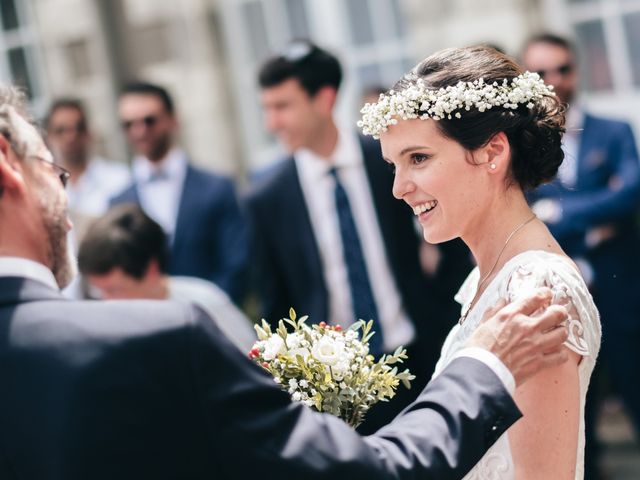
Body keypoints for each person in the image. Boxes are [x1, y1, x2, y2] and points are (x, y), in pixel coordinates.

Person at [0, 81, 571, 479]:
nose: (67, 194)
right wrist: (485, 366)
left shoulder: (534, 283)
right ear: (9, 169)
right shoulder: (165, 334)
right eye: (54, 170)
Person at [361, 45, 601, 478]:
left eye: (418, 158)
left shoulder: (536, 291)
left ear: (492, 152)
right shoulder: (484, 277)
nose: (399, 188)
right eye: (393, 165)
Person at [247, 42, 473, 432]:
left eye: (282, 107)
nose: (272, 123)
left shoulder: (388, 161)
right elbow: (276, 303)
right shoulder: (266, 197)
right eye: (267, 109)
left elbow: (454, 239)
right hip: (333, 391)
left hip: (420, 357)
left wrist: (444, 314)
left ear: (325, 98)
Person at [522, 33, 640, 479]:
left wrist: (558, 212)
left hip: (622, 299)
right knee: (575, 436)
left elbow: (630, 194)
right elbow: (523, 215)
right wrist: (597, 214)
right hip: (559, 313)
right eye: (541, 73)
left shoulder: (615, 132)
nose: (554, 81)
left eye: (562, 69)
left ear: (576, 71)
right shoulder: (521, 148)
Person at [110, 82, 248, 304]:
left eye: (149, 120)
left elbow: (238, 265)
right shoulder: (118, 203)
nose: (139, 131)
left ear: (172, 119)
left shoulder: (217, 188)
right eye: (128, 124)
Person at [78, 203, 256, 352]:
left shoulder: (206, 307)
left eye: (113, 290)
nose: (107, 303)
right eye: (99, 292)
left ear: (151, 269)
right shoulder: (106, 329)